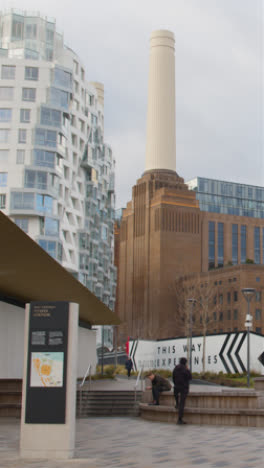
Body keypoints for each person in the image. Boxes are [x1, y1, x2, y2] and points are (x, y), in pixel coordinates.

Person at [173, 357, 192, 425]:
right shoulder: (185, 369)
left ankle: (177, 403)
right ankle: (179, 419)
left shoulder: (175, 368)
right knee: (182, 403)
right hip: (184, 387)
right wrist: (188, 369)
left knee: (176, 396)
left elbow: (173, 377)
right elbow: (190, 377)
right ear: (185, 363)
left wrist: (175, 384)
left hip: (176, 386)